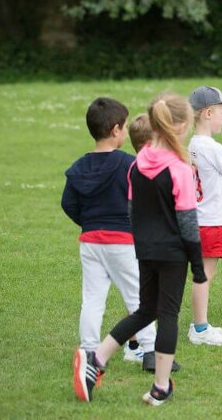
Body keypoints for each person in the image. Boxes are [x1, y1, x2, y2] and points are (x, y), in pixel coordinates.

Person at [73, 93, 207, 406]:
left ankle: (97, 359)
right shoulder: (179, 168)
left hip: (144, 250)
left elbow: (133, 213)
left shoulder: (137, 164)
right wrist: (198, 269)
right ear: (182, 125)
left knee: (146, 310)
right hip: (173, 253)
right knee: (168, 315)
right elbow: (188, 225)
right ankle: (161, 386)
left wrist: (144, 244)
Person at [61, 97, 156, 367]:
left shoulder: (79, 167)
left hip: (90, 242)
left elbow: (68, 203)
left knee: (92, 299)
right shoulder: (129, 164)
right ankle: (150, 351)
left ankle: (88, 351)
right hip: (123, 241)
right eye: (125, 127)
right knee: (138, 297)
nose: (126, 132)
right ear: (116, 130)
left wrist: (89, 222)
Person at [186, 86, 222, 346]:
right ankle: (199, 328)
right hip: (212, 220)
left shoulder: (192, 145)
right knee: (205, 275)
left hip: (199, 217)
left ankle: (201, 323)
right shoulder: (212, 146)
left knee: (204, 273)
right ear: (208, 113)